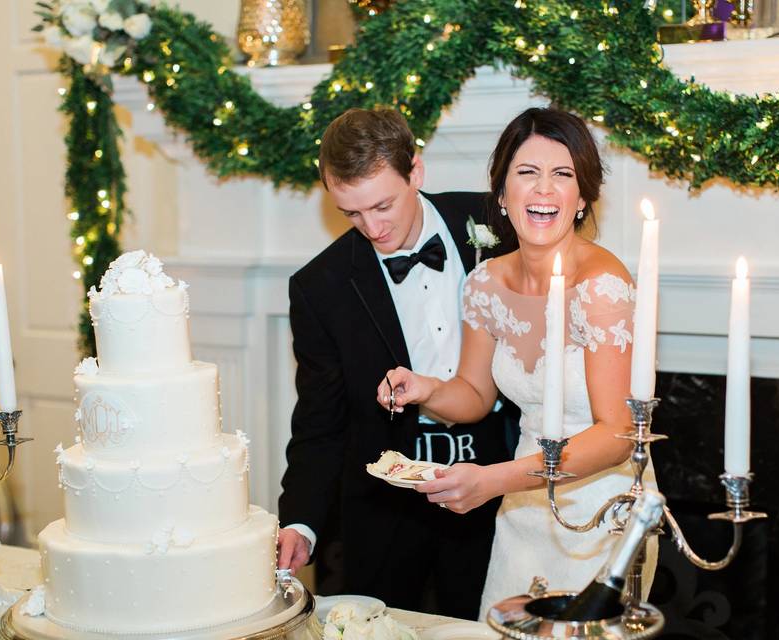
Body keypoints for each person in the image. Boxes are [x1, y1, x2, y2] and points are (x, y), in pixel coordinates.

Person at [377, 107, 658, 618]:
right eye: (527, 174)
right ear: (503, 196)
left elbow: (618, 434)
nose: (544, 190)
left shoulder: (602, 285)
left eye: (563, 175)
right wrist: (426, 389)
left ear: (581, 198)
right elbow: (475, 394)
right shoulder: (486, 283)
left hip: (602, 510)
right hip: (526, 508)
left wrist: (492, 480)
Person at [276, 107, 516, 619]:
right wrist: (300, 521)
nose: (373, 227)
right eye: (352, 214)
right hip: (386, 505)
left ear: (416, 172)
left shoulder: (497, 223)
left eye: (383, 205)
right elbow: (320, 421)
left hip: (499, 480)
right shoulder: (320, 286)